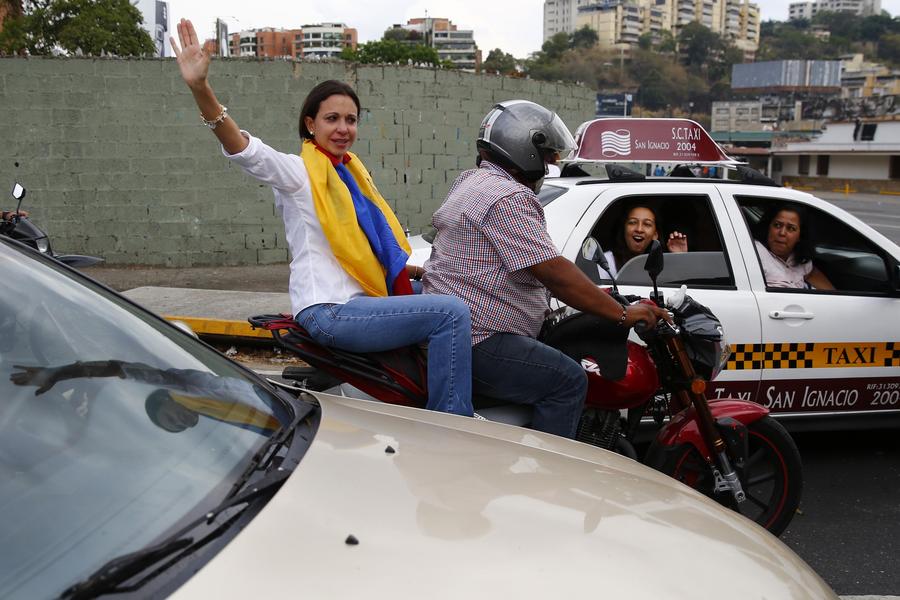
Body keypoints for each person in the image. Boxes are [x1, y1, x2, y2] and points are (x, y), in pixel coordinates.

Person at [169, 19, 472, 416]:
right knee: (451, 313)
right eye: (332, 119)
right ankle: (453, 421)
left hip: (360, 301)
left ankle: (421, 396)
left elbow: (365, 249)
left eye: (351, 119)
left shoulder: (352, 177)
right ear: (311, 124)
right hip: (330, 311)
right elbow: (244, 149)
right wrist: (200, 88)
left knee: (462, 297)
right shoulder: (299, 174)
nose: (343, 128)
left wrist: (415, 270)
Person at [422, 100, 669, 439]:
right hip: (480, 340)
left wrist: (598, 297)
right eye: (549, 153)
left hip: (458, 332)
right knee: (568, 381)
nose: (552, 162)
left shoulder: (472, 182)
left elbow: (526, 266)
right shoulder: (507, 197)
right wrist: (622, 314)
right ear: (525, 147)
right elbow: (552, 271)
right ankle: (550, 482)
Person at [753, 202, 834, 290]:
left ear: (800, 236)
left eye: (791, 228)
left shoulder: (801, 259)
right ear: (768, 227)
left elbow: (831, 293)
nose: (782, 233)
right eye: (777, 225)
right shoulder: (755, 253)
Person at [601, 203, 687, 278]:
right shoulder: (606, 261)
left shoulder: (662, 264)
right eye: (633, 222)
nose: (639, 229)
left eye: (647, 224)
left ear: (655, 235)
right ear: (624, 229)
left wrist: (679, 257)